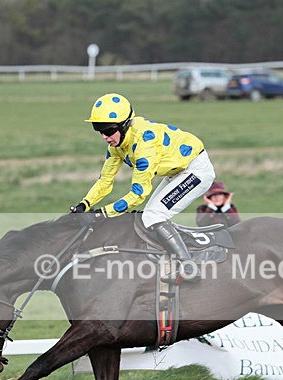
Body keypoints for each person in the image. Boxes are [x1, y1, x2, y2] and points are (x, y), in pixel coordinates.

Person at [70, 93, 216, 282]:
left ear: (124, 125)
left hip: (196, 170)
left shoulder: (145, 144)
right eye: (98, 130)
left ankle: (188, 267)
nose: (105, 137)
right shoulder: (117, 144)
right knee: (150, 216)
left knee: (153, 215)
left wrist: (102, 213)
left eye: (108, 130)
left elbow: (138, 194)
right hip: (178, 171)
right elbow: (105, 181)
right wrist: (84, 205)